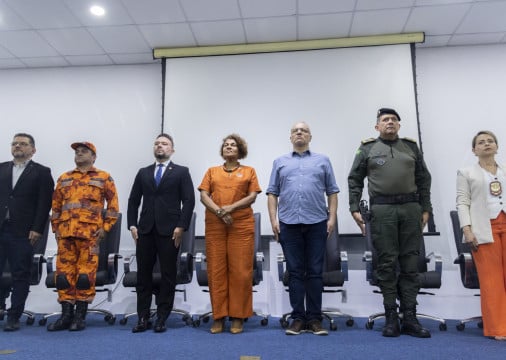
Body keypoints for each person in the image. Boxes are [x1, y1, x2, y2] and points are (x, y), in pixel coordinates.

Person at [348, 108, 432, 338]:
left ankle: (410, 317)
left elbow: (424, 179)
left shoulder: (411, 147)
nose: (390, 122)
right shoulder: (367, 148)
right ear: (377, 127)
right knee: (386, 263)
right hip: (382, 210)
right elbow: (354, 179)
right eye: (385, 120)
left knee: (410, 263)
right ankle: (391, 317)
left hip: (410, 209)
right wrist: (354, 207)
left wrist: (426, 208)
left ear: (399, 125)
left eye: (394, 120)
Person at [267, 122, 339, 336]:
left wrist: (332, 218)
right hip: (289, 224)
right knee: (296, 272)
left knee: (315, 273)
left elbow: (332, 191)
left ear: (310, 136)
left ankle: (315, 319)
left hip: (317, 222)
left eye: (304, 130)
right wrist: (274, 220)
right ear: (290, 137)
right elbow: (272, 193)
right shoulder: (280, 162)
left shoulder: (323, 160)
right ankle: (298, 318)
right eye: (295, 130)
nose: (299, 132)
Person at [48, 141, 119, 332]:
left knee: (84, 277)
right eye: (77, 152)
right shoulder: (64, 178)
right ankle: (65, 316)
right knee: (63, 276)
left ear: (93, 157)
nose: (79, 154)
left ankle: (79, 317)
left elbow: (113, 207)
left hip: (90, 236)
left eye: (84, 151)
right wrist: (55, 229)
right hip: (65, 235)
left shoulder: (104, 178)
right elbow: (55, 207)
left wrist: (105, 228)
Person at [128, 133, 195, 334]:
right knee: (143, 275)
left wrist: (181, 226)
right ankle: (143, 316)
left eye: (164, 144)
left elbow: (189, 201)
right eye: (157, 143)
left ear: (172, 150)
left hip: (170, 231)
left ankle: (162, 317)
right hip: (145, 230)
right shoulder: (143, 172)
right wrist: (132, 225)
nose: (160, 146)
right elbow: (133, 201)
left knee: (167, 275)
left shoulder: (182, 172)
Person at [198, 134, 261, 334]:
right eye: (226, 145)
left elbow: (252, 197)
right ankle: (218, 317)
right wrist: (219, 211)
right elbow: (203, 195)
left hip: (240, 226)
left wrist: (230, 209)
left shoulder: (249, 171)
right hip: (215, 226)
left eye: (233, 145)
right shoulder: (211, 171)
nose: (229, 147)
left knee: (241, 272)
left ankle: (238, 316)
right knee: (216, 271)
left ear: (240, 150)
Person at [0, 133, 54, 331]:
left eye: (23, 144)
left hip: (22, 232)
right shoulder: (1, 168)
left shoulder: (41, 172)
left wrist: (37, 228)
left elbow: (44, 203)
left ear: (33, 150)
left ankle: (14, 316)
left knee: (20, 275)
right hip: (1, 228)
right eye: (14, 143)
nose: (17, 146)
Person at [456, 130, 506, 341]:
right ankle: (498, 329)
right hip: (485, 229)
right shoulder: (466, 172)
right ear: (474, 150)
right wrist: (467, 229)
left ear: (496, 146)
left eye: (490, 141)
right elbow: (462, 202)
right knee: (492, 280)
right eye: (481, 142)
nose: (487, 144)